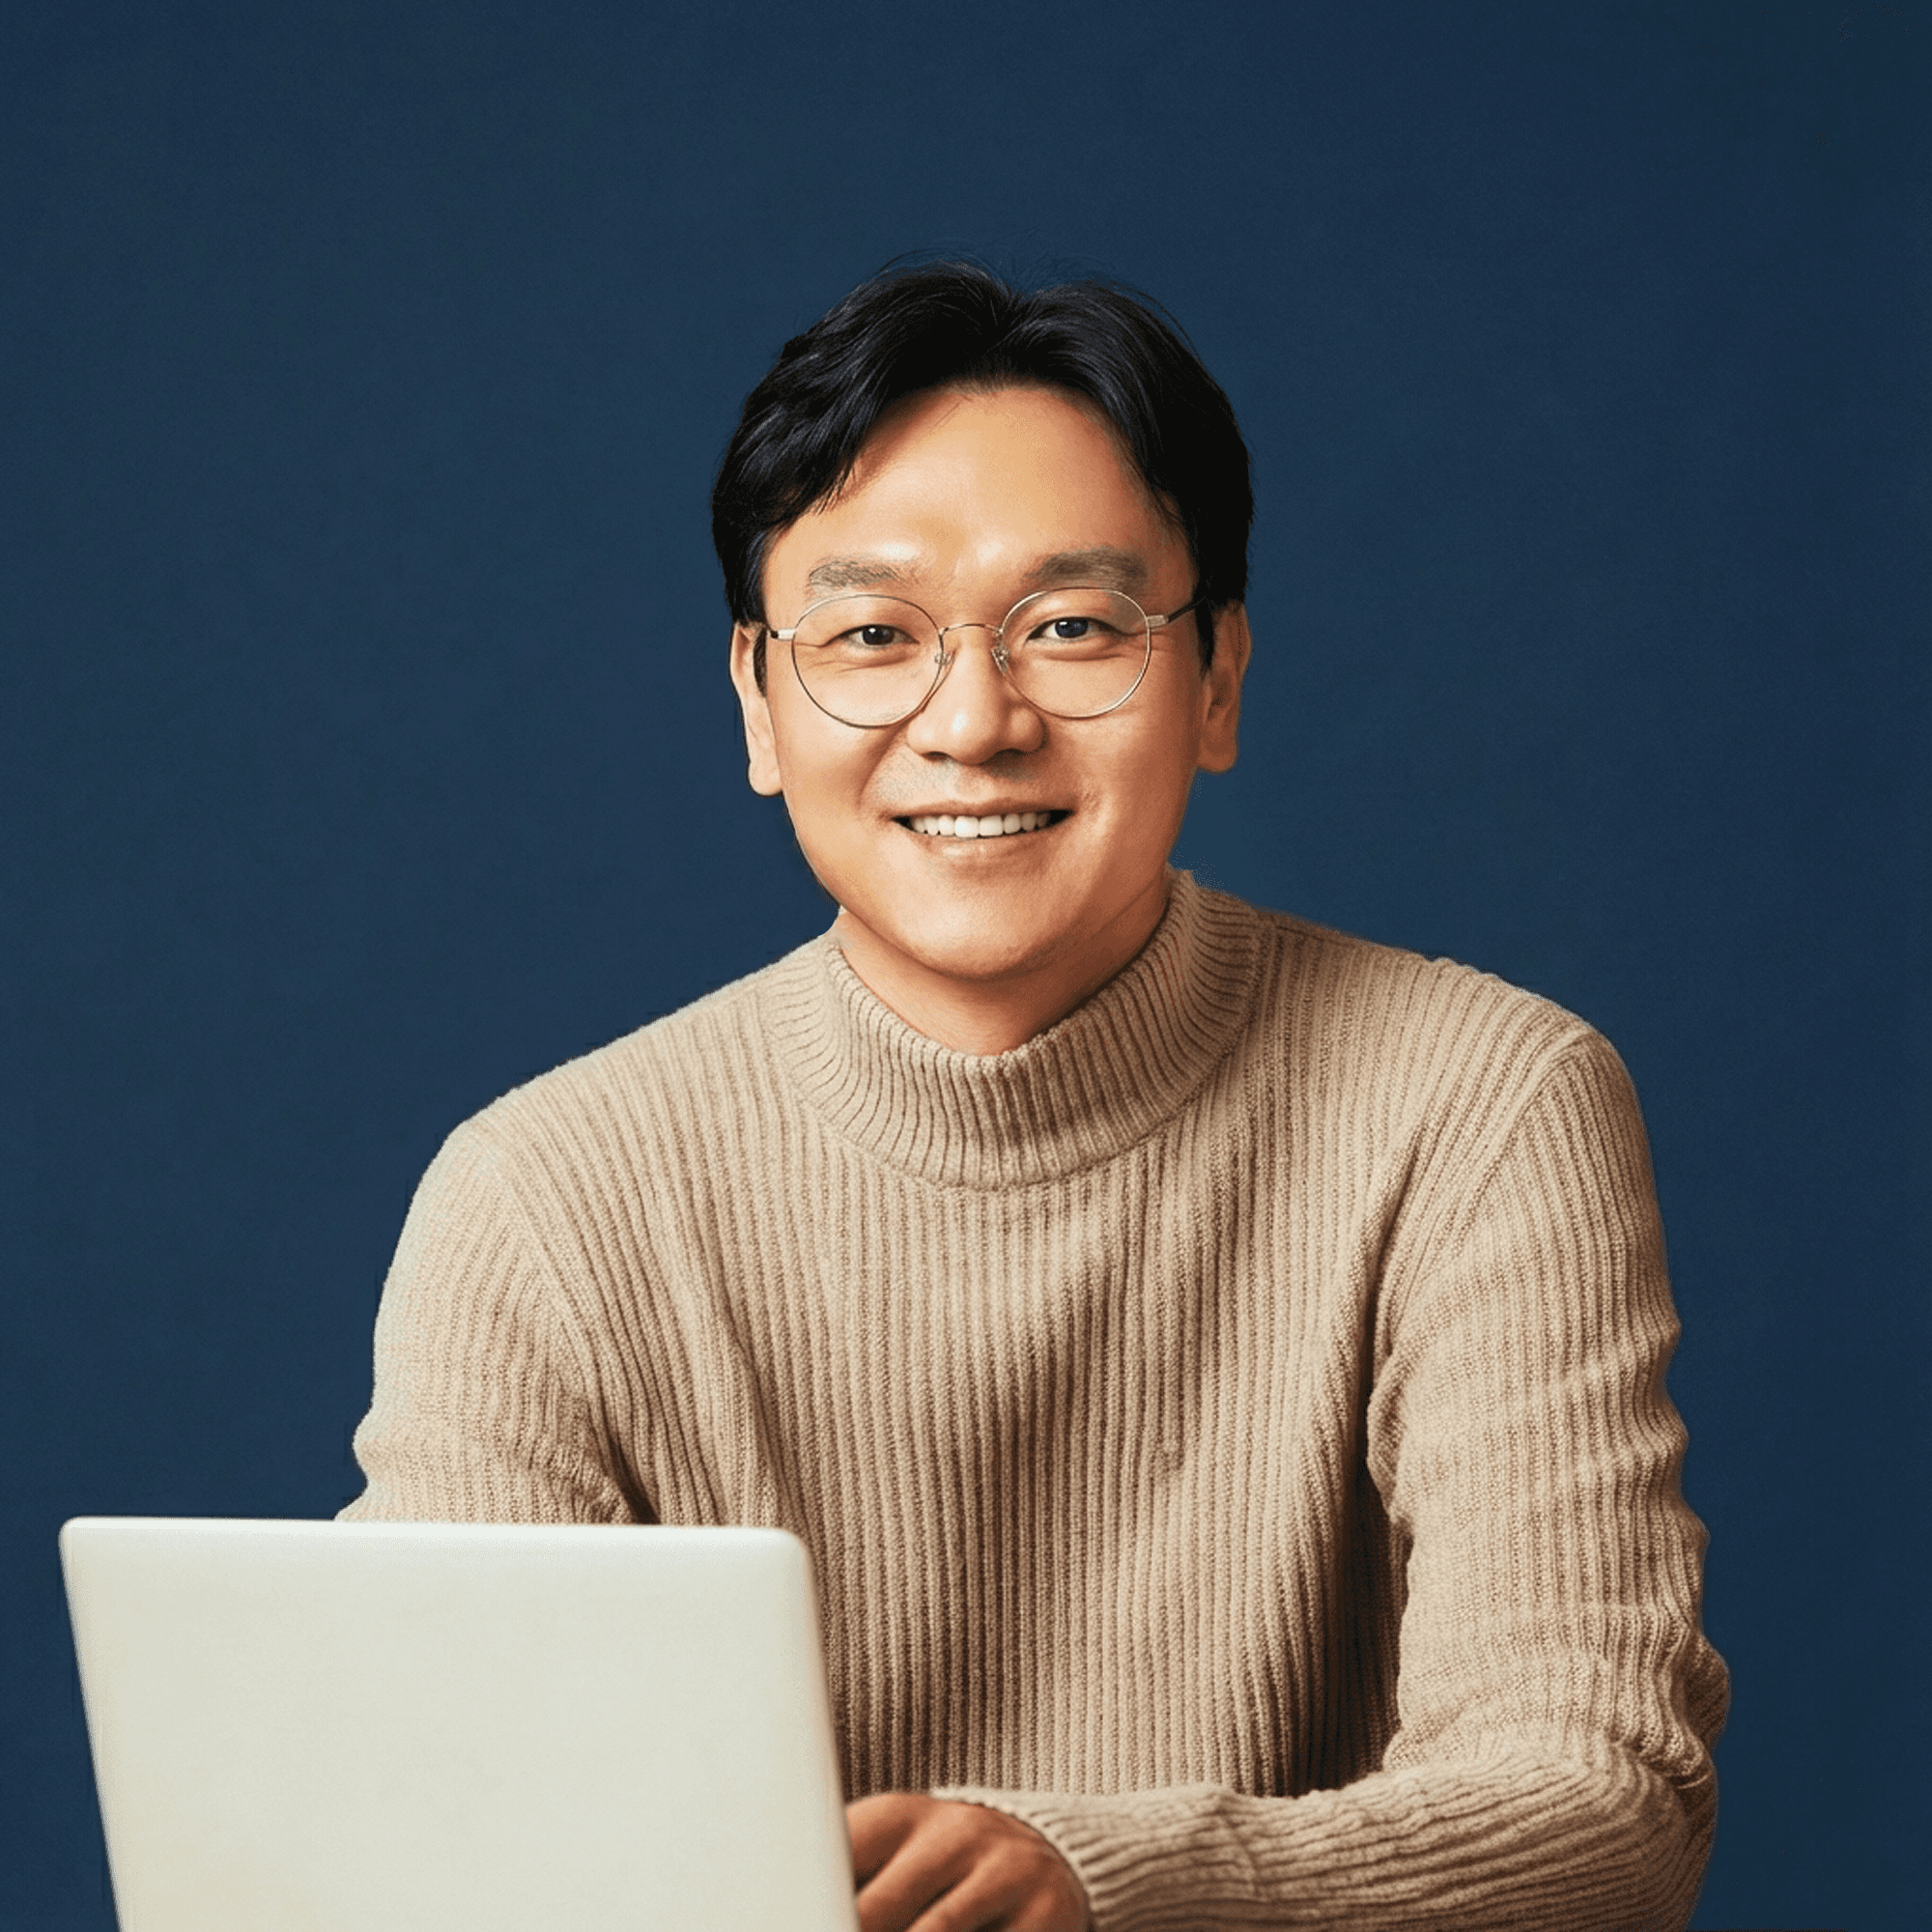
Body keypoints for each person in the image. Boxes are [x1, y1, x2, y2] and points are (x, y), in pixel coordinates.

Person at [342, 262, 1728, 1930]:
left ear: (1216, 679)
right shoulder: (545, 1199)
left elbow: (1600, 1803)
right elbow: (425, 1833)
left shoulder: (1483, 1110)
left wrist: (1103, 1885)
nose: (975, 721)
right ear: (756, 706)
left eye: (1071, 627)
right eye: (872, 637)